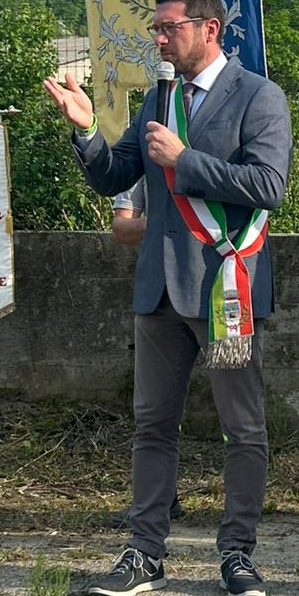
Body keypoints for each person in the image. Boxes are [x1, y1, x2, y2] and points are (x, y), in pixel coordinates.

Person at [44, 0, 291, 596]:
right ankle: (144, 553)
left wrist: (185, 160)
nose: (158, 38)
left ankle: (237, 554)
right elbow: (113, 175)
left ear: (209, 30)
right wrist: (86, 132)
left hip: (226, 291)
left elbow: (268, 185)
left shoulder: (259, 97)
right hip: (157, 294)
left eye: (168, 28)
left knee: (244, 428)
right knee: (152, 426)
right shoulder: (160, 99)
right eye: (155, 28)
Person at [108, 176, 183, 528]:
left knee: (237, 419)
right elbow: (122, 227)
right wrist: (169, 222)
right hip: (161, 299)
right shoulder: (141, 164)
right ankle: (160, 502)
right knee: (154, 415)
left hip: (221, 291)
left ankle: (240, 515)